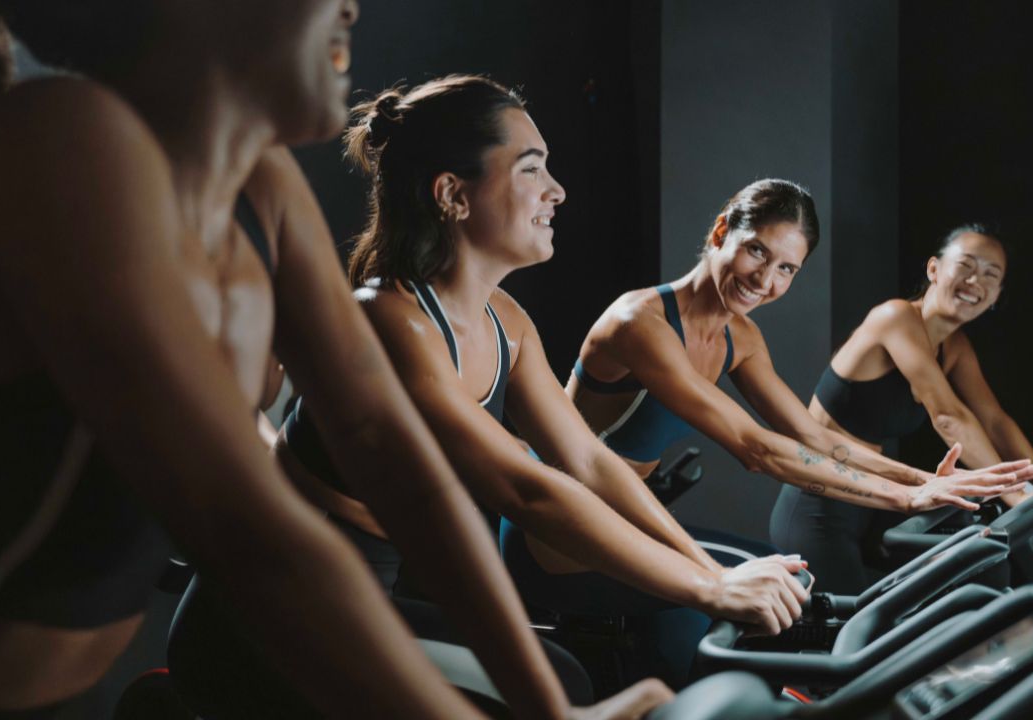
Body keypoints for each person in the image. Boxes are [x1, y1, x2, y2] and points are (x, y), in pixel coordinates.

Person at [0, 2, 664, 718]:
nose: (349, 7)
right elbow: (247, 518)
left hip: (58, 684)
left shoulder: (262, 183)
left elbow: (389, 452)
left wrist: (548, 707)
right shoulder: (64, 137)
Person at [276, 76, 810, 686]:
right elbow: (527, 490)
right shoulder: (392, 320)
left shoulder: (507, 323)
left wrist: (706, 572)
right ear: (453, 194)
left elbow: (587, 460)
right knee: (562, 684)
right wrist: (707, 586)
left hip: (365, 590)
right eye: (532, 170)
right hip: (283, 602)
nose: (556, 190)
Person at [570, 184, 1033, 597]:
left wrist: (922, 481)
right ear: (719, 233)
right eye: (756, 251)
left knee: (796, 594)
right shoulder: (641, 323)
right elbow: (757, 448)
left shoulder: (742, 338)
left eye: (786, 268)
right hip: (571, 523)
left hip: (627, 519)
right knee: (759, 608)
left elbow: (814, 437)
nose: (765, 280)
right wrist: (906, 495)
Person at [768, 224, 1033, 593]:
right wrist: (1013, 494)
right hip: (819, 506)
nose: (974, 281)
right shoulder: (895, 317)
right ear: (933, 269)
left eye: (990, 274)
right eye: (965, 265)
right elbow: (949, 417)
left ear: (997, 294)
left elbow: (996, 421)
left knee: (979, 573)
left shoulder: (955, 348)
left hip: (876, 505)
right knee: (850, 638)